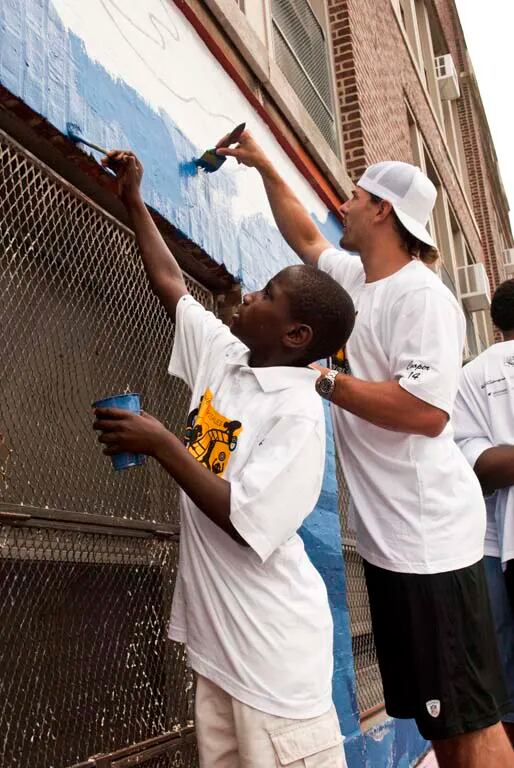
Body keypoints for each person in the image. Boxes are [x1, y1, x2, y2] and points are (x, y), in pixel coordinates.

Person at [216, 132, 514, 768]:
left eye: (353, 196)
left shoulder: (423, 296)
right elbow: (306, 238)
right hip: (391, 544)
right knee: (441, 723)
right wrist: (265, 163)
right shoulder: (358, 278)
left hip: (431, 543)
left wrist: (319, 378)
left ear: (383, 210)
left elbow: (427, 413)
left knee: (470, 723)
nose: (341, 205)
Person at [93, 150, 356, 768]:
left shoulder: (296, 417)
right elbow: (171, 287)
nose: (249, 296)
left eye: (267, 295)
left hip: (274, 669)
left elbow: (246, 522)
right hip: (220, 653)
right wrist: (133, 197)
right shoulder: (228, 360)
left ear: (296, 337)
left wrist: (161, 443)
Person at [453, 278, 514, 747]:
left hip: (492, 546)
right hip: (494, 545)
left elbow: (473, 465)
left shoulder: (472, 375)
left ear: (494, 322)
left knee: (503, 686)